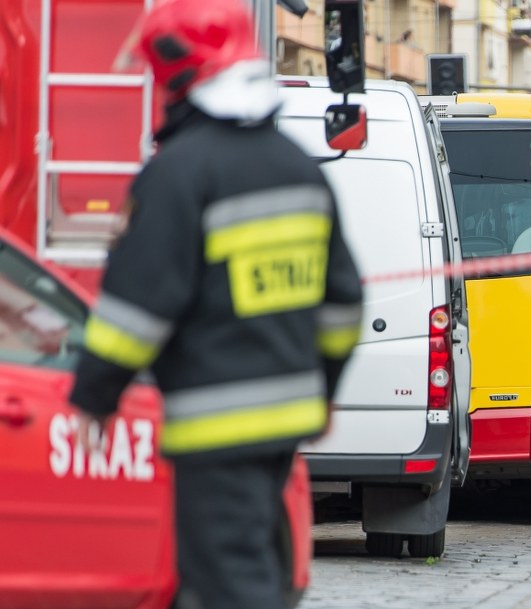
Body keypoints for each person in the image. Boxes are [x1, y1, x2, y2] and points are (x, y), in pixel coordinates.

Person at [69, 2, 364, 608]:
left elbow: (137, 309)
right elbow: (343, 306)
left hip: (215, 422)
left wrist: (95, 395)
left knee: (231, 578)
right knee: (222, 571)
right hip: (286, 418)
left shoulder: (179, 173)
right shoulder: (300, 171)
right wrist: (323, 390)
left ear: (178, 76)